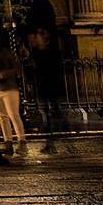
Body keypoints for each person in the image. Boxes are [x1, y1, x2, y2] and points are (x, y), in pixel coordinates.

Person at [23, 25, 70, 153]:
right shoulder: (35, 52)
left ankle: (64, 139)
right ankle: (51, 142)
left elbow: (54, 69)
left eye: (37, 36)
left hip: (53, 86)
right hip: (42, 87)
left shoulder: (53, 52)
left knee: (56, 112)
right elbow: (32, 71)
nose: (34, 38)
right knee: (45, 114)